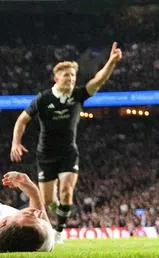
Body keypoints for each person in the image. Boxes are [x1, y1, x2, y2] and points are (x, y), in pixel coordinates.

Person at [10, 42, 122, 240]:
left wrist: (112, 61)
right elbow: (22, 120)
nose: (71, 79)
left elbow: (98, 80)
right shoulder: (43, 99)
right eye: (67, 75)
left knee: (66, 189)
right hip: (46, 154)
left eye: (73, 76)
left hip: (68, 153)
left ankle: (60, 231)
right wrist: (15, 143)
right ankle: (60, 212)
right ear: (56, 78)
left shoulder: (77, 96)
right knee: (48, 200)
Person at [0, 172, 54, 253]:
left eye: (28, 215)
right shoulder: (35, 243)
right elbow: (46, 234)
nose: (38, 212)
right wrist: (33, 191)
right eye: (40, 219)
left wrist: (32, 191)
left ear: (3, 223)